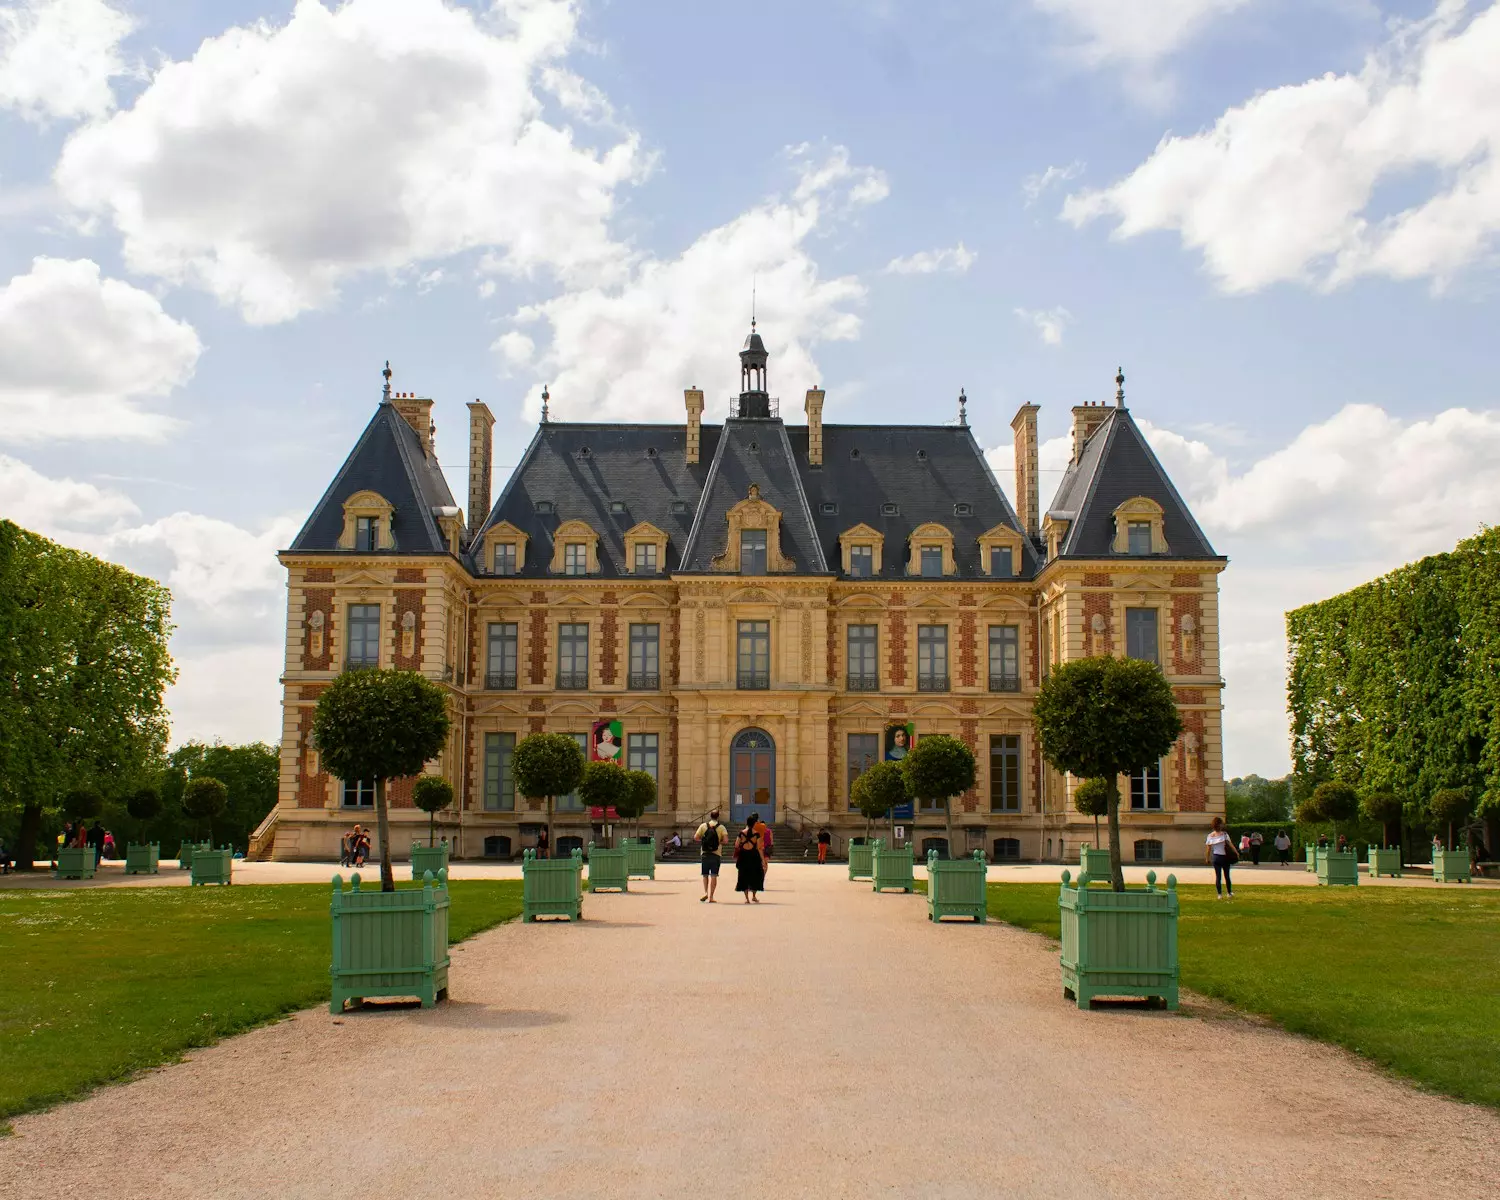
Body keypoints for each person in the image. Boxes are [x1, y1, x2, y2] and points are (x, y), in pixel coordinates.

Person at [695, 808, 726, 902]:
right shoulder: (721, 827)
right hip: (716, 854)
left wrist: (704, 841)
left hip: (704, 853)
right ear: (718, 817)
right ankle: (711, 897)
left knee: (705, 875)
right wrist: (718, 842)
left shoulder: (703, 826)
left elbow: (696, 837)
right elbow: (725, 841)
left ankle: (705, 893)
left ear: (710, 816)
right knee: (714, 875)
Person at [734, 818, 765, 903]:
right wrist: (763, 860)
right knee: (755, 876)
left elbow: (736, 845)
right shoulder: (757, 834)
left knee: (744, 876)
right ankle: (754, 896)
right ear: (754, 824)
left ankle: (746, 898)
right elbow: (759, 848)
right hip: (754, 856)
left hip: (743, 856)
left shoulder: (741, 833)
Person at [1206, 816, 1235, 899]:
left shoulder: (1210, 835)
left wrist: (1207, 858)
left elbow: (1208, 849)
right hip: (1225, 857)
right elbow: (1230, 845)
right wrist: (1236, 853)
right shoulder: (1224, 835)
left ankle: (1219, 894)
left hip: (1216, 857)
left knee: (1218, 876)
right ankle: (1229, 893)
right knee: (1227, 876)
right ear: (1220, 825)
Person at [759, 817, 773, 881]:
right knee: (766, 863)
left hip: (760, 849)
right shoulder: (769, 831)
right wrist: (771, 848)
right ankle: (763, 876)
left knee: (760, 863)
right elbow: (772, 841)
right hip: (767, 848)